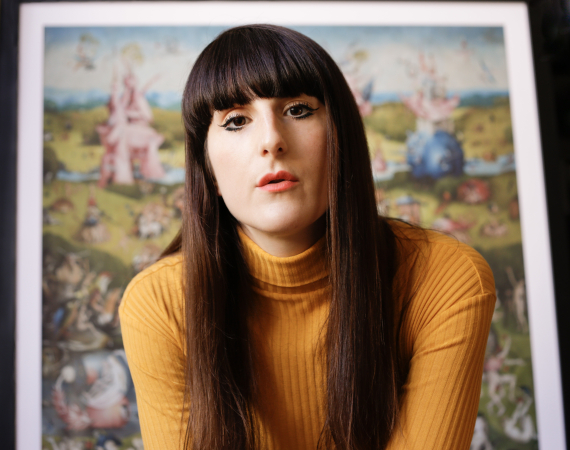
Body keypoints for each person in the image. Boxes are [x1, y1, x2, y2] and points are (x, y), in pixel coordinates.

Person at [119, 24, 495, 450]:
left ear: (342, 140)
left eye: (298, 110)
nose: (272, 141)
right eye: (237, 120)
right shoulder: (159, 305)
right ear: (207, 171)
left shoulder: (447, 281)